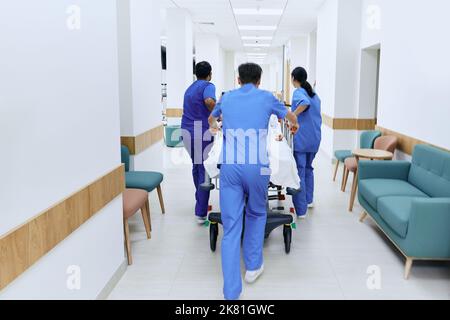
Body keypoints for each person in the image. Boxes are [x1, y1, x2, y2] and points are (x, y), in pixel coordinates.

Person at [209, 63, 299, 300]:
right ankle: (252, 267)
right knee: (257, 213)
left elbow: (211, 119)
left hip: (230, 167)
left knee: (230, 227)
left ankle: (231, 292)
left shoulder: (226, 98)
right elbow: (289, 115)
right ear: (259, 80)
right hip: (258, 168)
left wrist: (216, 126)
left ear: (238, 79)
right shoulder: (267, 97)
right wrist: (294, 123)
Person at [181, 61, 217, 224]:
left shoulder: (190, 88)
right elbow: (209, 101)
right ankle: (201, 211)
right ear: (209, 73)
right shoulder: (208, 86)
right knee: (204, 168)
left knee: (196, 165)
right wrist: (218, 112)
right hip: (200, 131)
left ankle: (200, 201)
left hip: (186, 130)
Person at [290, 67, 322, 219]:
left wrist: (293, 115)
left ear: (293, 78)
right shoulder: (314, 94)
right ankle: (309, 200)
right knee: (309, 169)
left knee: (299, 172)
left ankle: (301, 209)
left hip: (302, 139)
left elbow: (304, 103)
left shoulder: (299, 93)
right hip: (314, 138)